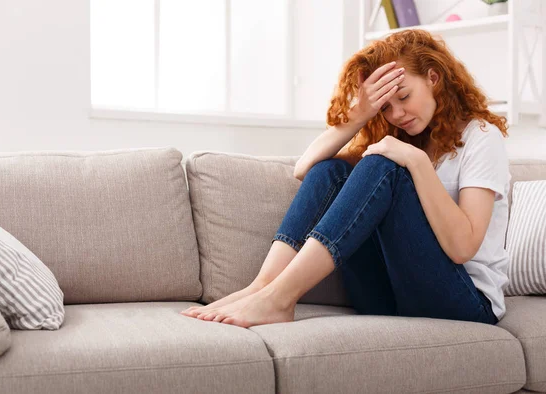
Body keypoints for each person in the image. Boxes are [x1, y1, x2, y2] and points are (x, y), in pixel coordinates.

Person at [180, 29, 511, 328]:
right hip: (391, 296)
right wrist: (361, 114)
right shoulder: (405, 138)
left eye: (404, 97)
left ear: (433, 78)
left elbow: (462, 248)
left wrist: (417, 162)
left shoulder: (482, 137)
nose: (396, 114)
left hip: (466, 303)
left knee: (381, 166)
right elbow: (305, 168)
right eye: (386, 107)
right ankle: (263, 286)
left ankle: (279, 299)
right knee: (332, 169)